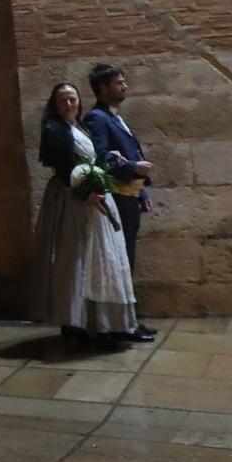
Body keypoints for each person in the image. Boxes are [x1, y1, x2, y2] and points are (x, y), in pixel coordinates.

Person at [39, 82, 147, 349]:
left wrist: (108, 161)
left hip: (94, 198)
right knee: (77, 261)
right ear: (54, 104)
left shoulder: (80, 127)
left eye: (72, 99)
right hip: (75, 201)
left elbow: (92, 160)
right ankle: (76, 324)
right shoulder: (54, 129)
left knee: (100, 260)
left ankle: (102, 324)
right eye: (63, 100)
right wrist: (85, 192)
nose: (68, 104)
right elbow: (64, 167)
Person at [84, 63, 156, 337]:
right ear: (103, 88)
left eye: (124, 82)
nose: (124, 86)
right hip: (117, 198)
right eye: (118, 83)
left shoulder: (113, 116)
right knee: (121, 260)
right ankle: (122, 324)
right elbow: (101, 159)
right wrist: (133, 169)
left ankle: (128, 321)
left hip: (130, 196)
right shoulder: (97, 118)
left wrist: (142, 190)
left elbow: (127, 154)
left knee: (128, 258)